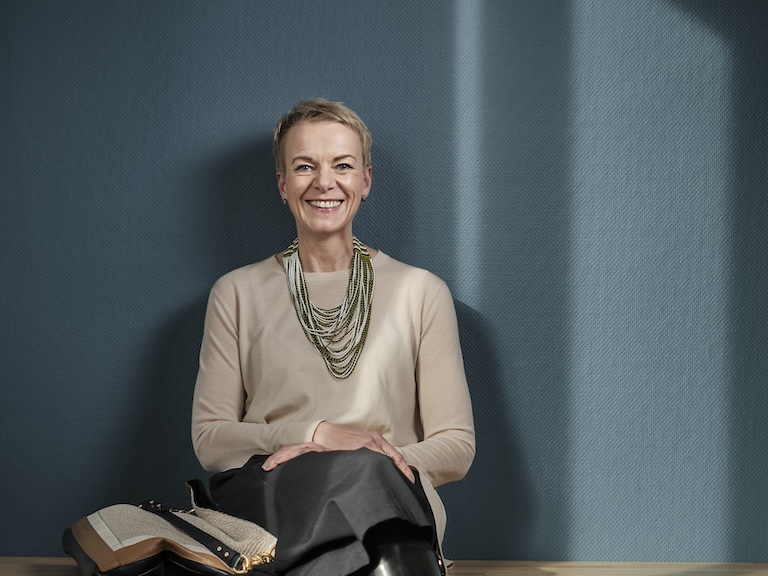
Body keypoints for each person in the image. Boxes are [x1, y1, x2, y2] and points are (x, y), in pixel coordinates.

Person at [191, 99, 475, 576]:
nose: (325, 182)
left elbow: (456, 446)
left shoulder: (421, 292)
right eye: (305, 166)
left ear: (365, 180)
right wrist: (314, 435)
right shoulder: (236, 292)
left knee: (366, 475)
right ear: (283, 185)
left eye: (342, 165)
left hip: (390, 497)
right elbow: (211, 441)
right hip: (274, 498)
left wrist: (370, 457)